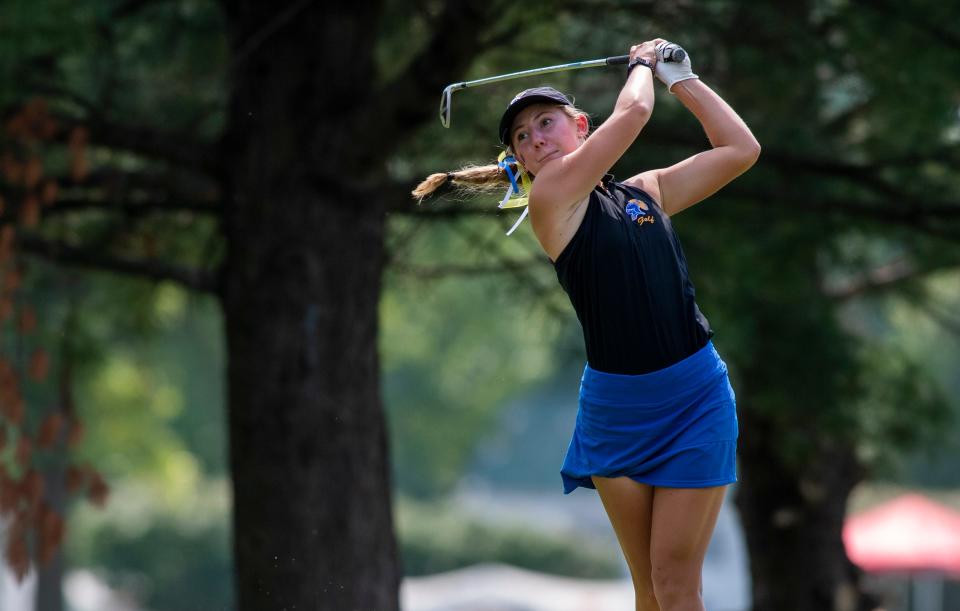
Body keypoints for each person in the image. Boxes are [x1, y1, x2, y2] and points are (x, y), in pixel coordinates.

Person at [413, 39, 759, 611]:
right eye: (522, 138)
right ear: (520, 163)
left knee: (674, 586)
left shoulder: (647, 193)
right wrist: (644, 65)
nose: (535, 140)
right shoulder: (551, 197)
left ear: (579, 125)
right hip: (619, 409)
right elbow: (635, 113)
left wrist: (683, 80)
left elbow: (741, 149)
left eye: (546, 123)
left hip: (696, 396)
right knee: (650, 588)